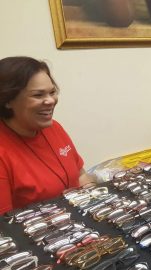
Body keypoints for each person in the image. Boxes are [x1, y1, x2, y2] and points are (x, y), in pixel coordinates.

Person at [0, 56, 94, 215]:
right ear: (7, 100)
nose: (50, 101)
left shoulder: (54, 127)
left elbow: (81, 175)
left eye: (52, 92)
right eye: (38, 95)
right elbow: (5, 226)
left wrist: (97, 200)